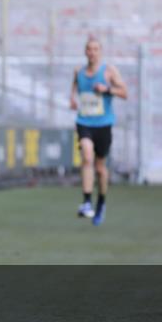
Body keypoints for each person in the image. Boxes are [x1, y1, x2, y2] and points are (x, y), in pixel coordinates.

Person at [69, 37, 128, 226]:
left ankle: (101, 201)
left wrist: (107, 89)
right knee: (87, 155)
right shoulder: (78, 71)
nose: (92, 52)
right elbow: (74, 88)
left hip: (103, 124)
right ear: (85, 52)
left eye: (95, 49)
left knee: (100, 169)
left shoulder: (109, 71)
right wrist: (72, 100)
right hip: (84, 121)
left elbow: (125, 93)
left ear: (100, 52)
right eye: (89, 49)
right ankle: (86, 202)